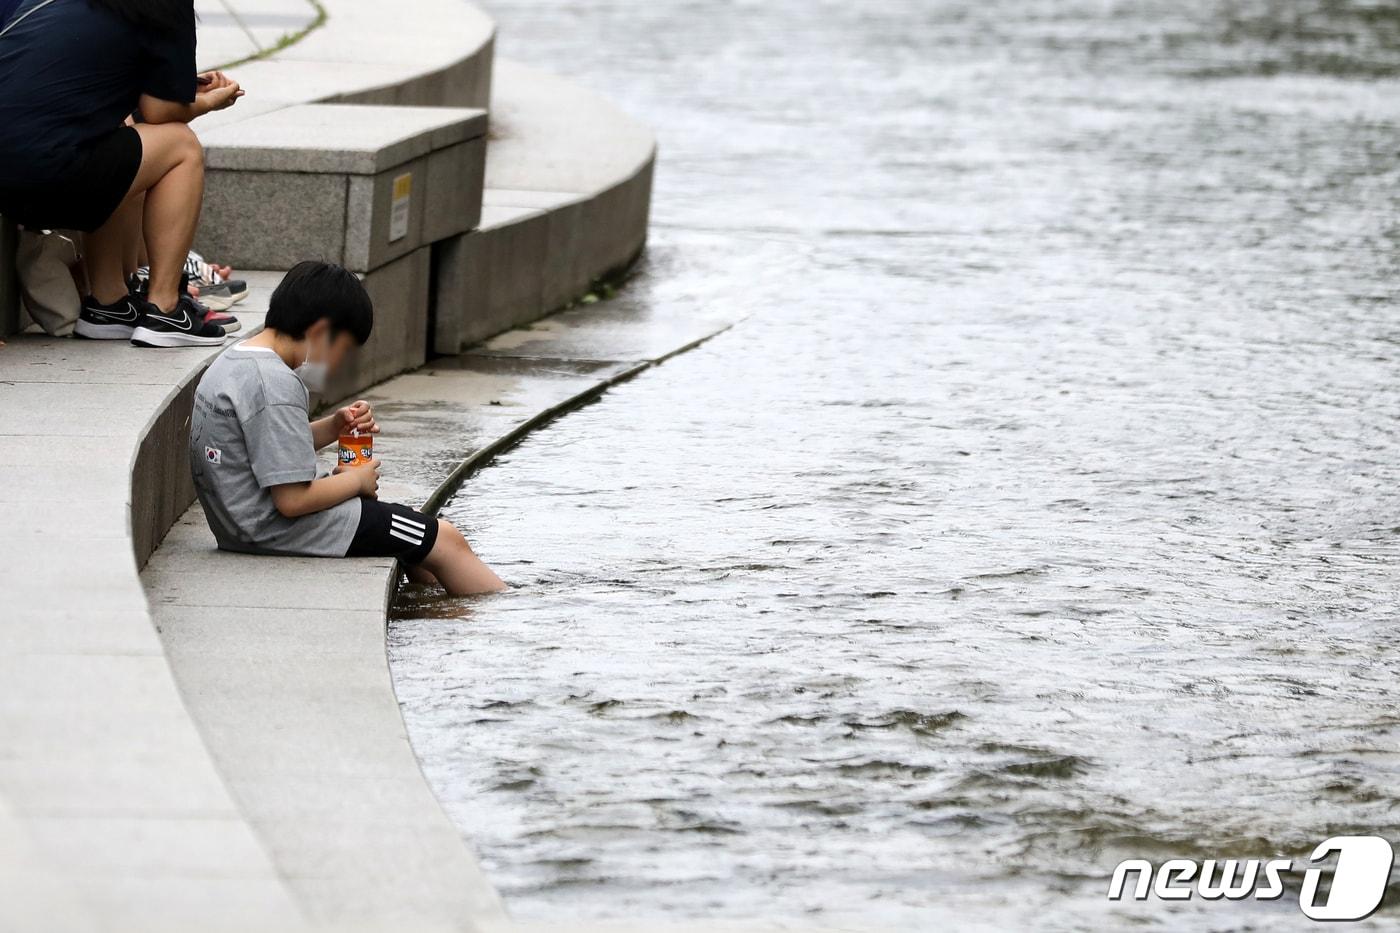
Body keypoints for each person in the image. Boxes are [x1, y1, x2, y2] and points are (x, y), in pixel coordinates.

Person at [189, 261, 507, 595]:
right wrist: (355, 481)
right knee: (445, 538)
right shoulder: (276, 383)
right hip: (276, 530)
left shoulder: (236, 360)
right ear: (321, 332)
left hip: (240, 524)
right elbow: (292, 501)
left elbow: (268, 446)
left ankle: (435, 607)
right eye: (344, 350)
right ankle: (501, 610)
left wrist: (334, 426)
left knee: (412, 531)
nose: (340, 363)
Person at [0, 0, 244, 347]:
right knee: (180, 145)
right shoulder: (164, 6)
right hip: (46, 174)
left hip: (8, 182)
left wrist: (181, 86)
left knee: (121, 131)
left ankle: (109, 303)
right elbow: (159, 111)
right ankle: (165, 308)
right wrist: (209, 102)